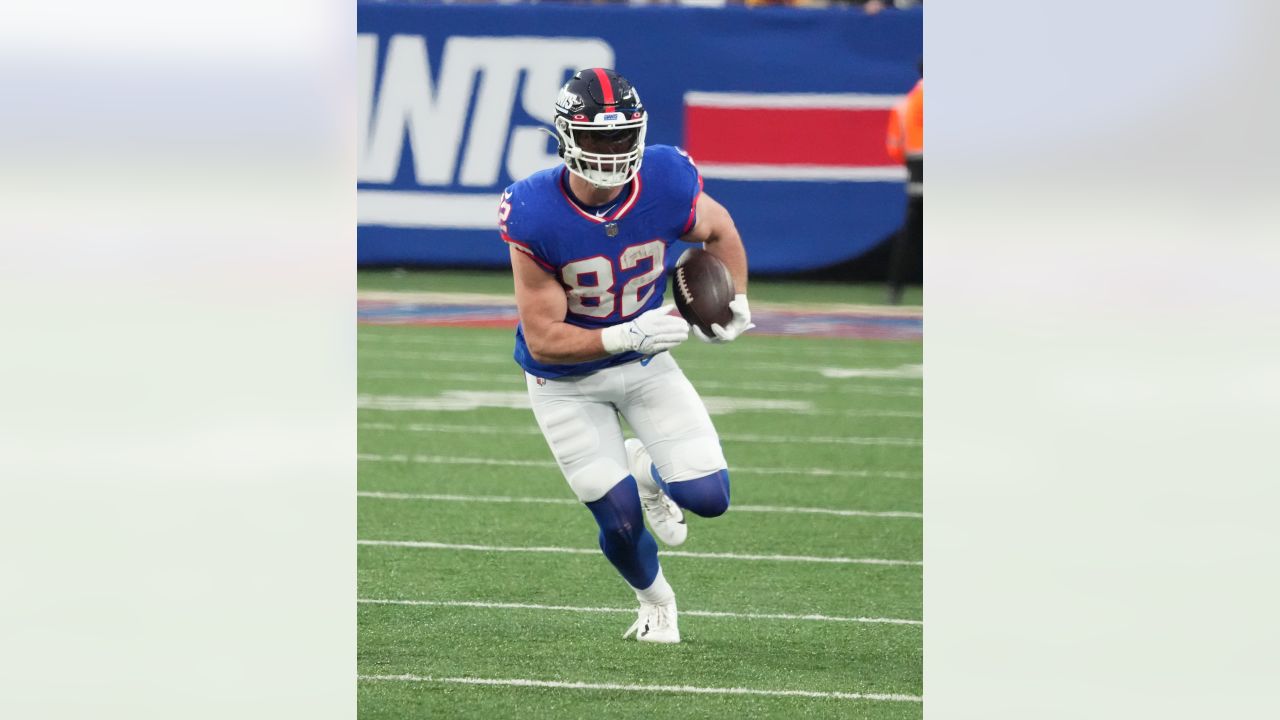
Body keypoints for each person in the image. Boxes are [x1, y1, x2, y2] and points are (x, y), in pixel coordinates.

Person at [498, 68, 753, 644]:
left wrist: (735, 299)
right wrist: (624, 336)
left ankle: (647, 470)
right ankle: (656, 601)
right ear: (565, 137)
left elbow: (720, 229)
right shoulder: (534, 211)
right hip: (565, 379)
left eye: (621, 137)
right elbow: (543, 338)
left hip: (644, 363)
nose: (611, 152)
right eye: (597, 138)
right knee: (616, 519)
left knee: (708, 499)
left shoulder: (664, 176)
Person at [885, 70, 922, 304]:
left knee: (912, 231)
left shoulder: (905, 104)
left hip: (917, 169)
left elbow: (894, 147)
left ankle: (895, 288)